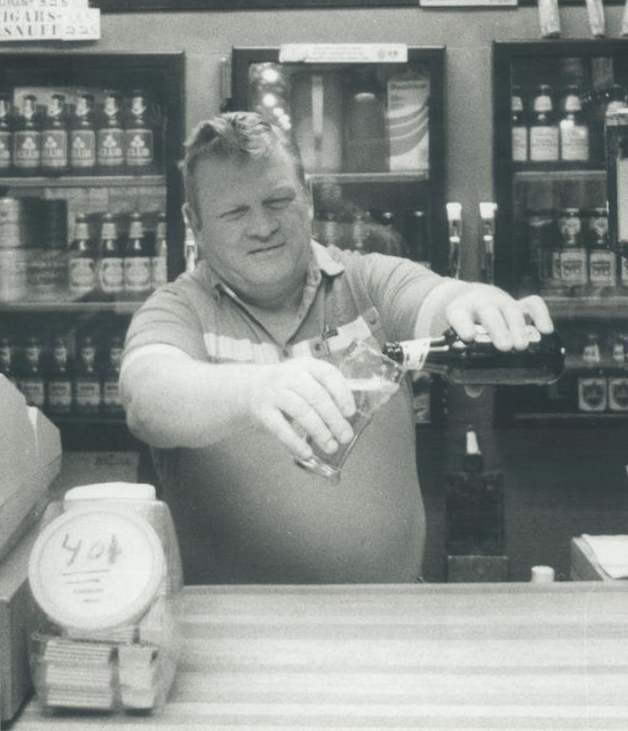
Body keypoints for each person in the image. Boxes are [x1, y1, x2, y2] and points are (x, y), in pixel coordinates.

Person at [121, 111, 553, 583]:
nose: (262, 226)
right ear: (195, 223)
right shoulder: (179, 308)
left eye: (278, 200)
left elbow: (440, 299)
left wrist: (479, 303)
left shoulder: (369, 280)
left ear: (307, 199)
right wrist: (255, 391)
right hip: (234, 633)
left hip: (385, 620)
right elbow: (147, 393)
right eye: (235, 212)